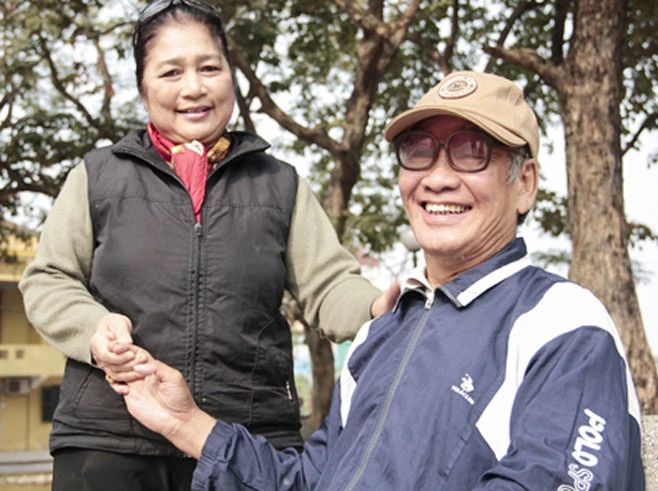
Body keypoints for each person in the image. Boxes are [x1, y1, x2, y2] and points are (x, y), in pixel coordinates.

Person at [114, 70, 646, 490]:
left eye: (472, 150)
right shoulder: (381, 335)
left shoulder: (561, 324)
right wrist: (185, 422)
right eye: (419, 150)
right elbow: (312, 481)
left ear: (524, 183)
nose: (437, 176)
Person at [18, 1, 398, 489]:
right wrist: (94, 329)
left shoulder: (278, 184)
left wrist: (374, 307)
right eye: (171, 72)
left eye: (210, 68)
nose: (194, 87)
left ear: (232, 77)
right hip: (108, 443)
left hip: (245, 442)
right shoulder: (97, 177)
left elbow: (328, 283)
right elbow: (48, 279)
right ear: (143, 87)